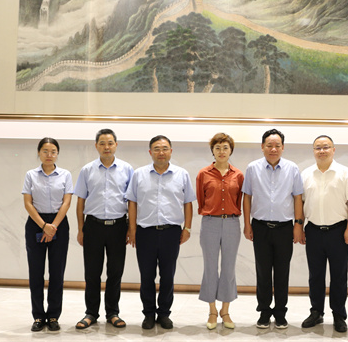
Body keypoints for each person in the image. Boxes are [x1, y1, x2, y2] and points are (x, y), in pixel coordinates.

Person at [126, 135, 195, 330]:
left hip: (171, 232)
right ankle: (148, 314)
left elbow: (188, 203)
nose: (161, 152)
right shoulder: (139, 174)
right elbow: (132, 202)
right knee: (146, 276)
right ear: (150, 152)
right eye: (156, 149)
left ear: (171, 151)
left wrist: (187, 228)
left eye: (165, 148)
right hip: (145, 232)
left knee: (168, 276)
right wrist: (132, 229)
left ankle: (164, 313)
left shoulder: (182, 174)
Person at [242, 129, 305, 329]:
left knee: (282, 272)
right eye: (269, 145)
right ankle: (264, 312)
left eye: (277, 145)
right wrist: (247, 224)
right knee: (262, 272)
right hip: (260, 227)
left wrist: (298, 224)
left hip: (284, 228)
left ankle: (280, 312)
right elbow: (247, 197)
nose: (273, 149)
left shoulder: (292, 168)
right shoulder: (252, 168)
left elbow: (298, 198)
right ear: (262, 147)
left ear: (283, 147)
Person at [75, 129, 134, 329]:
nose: (106, 147)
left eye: (110, 143)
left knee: (115, 272)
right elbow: (80, 202)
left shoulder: (127, 169)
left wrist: (130, 228)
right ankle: (91, 313)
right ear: (96, 146)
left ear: (116, 145)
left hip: (118, 226)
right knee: (92, 273)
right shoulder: (87, 170)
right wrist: (81, 229)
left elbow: (132, 201)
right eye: (102, 143)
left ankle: (112, 313)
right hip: (93, 226)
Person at [300, 135, 348, 333]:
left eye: (326, 147)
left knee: (339, 276)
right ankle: (316, 312)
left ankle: (339, 315)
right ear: (313, 151)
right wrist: (299, 226)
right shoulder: (306, 174)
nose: (322, 151)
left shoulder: (345, 173)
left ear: (334, 150)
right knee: (315, 275)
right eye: (318, 148)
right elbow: (300, 202)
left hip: (338, 231)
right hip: (313, 231)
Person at [22, 137, 73, 332]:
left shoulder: (65, 174)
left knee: (57, 272)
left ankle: (53, 316)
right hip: (36, 223)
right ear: (39, 153)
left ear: (57, 154)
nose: (49, 155)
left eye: (53, 151)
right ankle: (38, 316)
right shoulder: (31, 175)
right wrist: (44, 226)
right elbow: (28, 203)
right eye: (45, 151)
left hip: (59, 223)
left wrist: (53, 226)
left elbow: (66, 202)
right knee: (36, 272)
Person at [196, 133, 244, 330]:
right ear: (212, 151)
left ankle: (225, 310)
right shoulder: (203, 174)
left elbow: (240, 200)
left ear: (231, 150)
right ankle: (212, 311)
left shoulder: (238, 175)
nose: (221, 151)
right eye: (217, 148)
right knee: (210, 267)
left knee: (228, 268)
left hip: (232, 223)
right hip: (210, 223)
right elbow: (201, 200)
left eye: (225, 147)